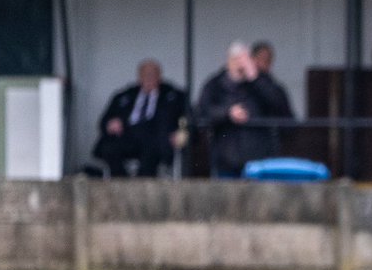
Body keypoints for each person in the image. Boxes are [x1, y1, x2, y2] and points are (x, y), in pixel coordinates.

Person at [197, 41, 294, 178]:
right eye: (236, 59)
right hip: (226, 159)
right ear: (229, 61)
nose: (240, 64)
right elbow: (203, 113)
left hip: (259, 159)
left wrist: (255, 78)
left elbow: (280, 106)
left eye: (244, 59)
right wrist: (228, 113)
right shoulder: (215, 85)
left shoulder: (264, 82)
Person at [92, 59, 188, 177]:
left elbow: (188, 120)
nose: (149, 78)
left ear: (160, 76)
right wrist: (110, 124)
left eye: (152, 74)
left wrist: (181, 133)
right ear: (139, 77)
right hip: (128, 135)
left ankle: (142, 186)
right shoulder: (124, 96)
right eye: (145, 74)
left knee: (151, 152)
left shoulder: (174, 96)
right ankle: (121, 183)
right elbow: (104, 121)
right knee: (109, 148)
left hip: (156, 137)